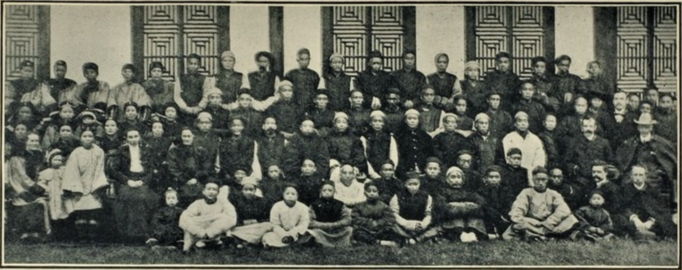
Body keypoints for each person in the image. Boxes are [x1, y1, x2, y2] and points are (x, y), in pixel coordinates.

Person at [107, 128, 160, 243]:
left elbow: (151, 169)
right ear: (126, 139)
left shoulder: (147, 150)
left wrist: (143, 181)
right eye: (130, 137)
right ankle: (128, 236)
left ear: (139, 137)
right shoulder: (120, 151)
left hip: (142, 180)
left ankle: (143, 234)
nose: (133, 139)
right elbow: (114, 170)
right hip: (126, 180)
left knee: (144, 198)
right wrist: (127, 181)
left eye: (135, 136)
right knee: (127, 198)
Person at [616, 113, 677, 207]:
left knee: (651, 183)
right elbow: (624, 161)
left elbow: (668, 162)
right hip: (635, 173)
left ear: (651, 127)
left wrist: (659, 170)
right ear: (638, 128)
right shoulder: (631, 142)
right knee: (626, 182)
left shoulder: (660, 142)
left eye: (646, 127)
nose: (644, 129)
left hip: (653, 174)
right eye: (641, 127)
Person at [503, 167, 578, 241]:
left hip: (549, 224)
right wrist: (535, 223)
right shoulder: (526, 192)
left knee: (571, 219)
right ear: (533, 180)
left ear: (547, 180)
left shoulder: (553, 194)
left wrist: (549, 222)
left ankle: (535, 235)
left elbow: (564, 210)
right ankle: (548, 236)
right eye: (537, 180)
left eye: (543, 180)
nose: (540, 183)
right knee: (516, 226)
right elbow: (517, 210)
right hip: (532, 224)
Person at [61, 129, 109, 242]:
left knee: (93, 211)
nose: (87, 138)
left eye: (90, 136)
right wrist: (76, 188)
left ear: (93, 138)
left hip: (94, 183)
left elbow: (99, 169)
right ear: (80, 138)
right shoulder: (76, 152)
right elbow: (72, 171)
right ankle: (82, 236)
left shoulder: (99, 152)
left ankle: (92, 235)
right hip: (79, 184)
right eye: (84, 136)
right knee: (81, 212)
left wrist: (96, 187)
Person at [6, 133, 50, 241]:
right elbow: (21, 177)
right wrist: (37, 188)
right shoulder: (17, 158)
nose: (34, 143)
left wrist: (42, 186)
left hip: (34, 186)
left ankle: (38, 232)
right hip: (20, 188)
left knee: (44, 201)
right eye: (31, 141)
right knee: (35, 202)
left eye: (36, 141)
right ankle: (26, 232)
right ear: (25, 142)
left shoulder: (38, 156)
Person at [615, 165, 677, 240]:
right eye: (635, 175)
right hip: (632, 219)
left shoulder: (653, 190)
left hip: (649, 219)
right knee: (620, 219)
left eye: (641, 175)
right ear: (631, 176)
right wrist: (635, 219)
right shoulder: (625, 190)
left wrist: (650, 222)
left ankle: (644, 233)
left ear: (645, 176)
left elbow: (659, 208)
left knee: (665, 220)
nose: (638, 177)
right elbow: (622, 207)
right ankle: (642, 234)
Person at [179, 180, 237, 253]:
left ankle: (216, 241)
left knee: (224, 217)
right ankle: (195, 244)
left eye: (214, 190)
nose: (211, 192)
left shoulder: (223, 203)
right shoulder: (198, 203)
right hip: (200, 232)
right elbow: (184, 219)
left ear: (218, 193)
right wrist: (201, 233)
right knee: (189, 220)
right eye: (209, 189)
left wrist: (210, 233)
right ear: (204, 191)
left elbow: (232, 218)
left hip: (215, 231)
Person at [436, 166, 488, 242]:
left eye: (458, 177)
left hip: (468, 218)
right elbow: (442, 205)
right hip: (452, 218)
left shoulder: (468, 191)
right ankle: (461, 234)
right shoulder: (443, 192)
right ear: (447, 179)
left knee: (474, 219)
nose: (456, 180)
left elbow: (481, 202)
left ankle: (472, 233)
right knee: (456, 219)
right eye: (453, 177)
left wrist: (460, 206)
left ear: (463, 180)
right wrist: (466, 206)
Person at [167, 128, 213, 207]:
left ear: (193, 136)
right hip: (181, 181)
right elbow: (172, 168)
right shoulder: (174, 151)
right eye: (184, 136)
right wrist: (184, 178)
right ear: (181, 137)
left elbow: (206, 167)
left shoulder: (201, 151)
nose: (186, 139)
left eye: (188, 136)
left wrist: (196, 178)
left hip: (198, 180)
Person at [390, 172, 437, 244]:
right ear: (405, 184)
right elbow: (394, 214)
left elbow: (428, 213)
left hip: (420, 224)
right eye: (410, 184)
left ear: (419, 184)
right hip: (404, 224)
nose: (413, 187)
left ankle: (416, 238)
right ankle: (408, 237)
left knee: (436, 225)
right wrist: (406, 224)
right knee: (391, 225)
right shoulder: (397, 196)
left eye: (415, 184)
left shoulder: (426, 196)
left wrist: (422, 225)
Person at [502, 112, 546, 185]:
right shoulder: (508, 138)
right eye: (520, 121)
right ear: (515, 124)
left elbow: (540, 159)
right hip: (515, 175)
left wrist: (533, 172)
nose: (523, 123)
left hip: (532, 174)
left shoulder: (535, 139)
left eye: (525, 121)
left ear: (528, 123)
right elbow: (508, 158)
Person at [228, 177, 274, 246]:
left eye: (251, 190)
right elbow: (233, 216)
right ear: (242, 190)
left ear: (255, 190)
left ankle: (243, 240)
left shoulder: (262, 201)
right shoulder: (236, 201)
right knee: (231, 229)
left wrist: (256, 221)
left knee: (268, 226)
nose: (248, 192)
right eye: (246, 189)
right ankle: (251, 240)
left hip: (256, 227)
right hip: (242, 227)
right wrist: (243, 222)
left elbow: (265, 216)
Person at [351, 182, 399, 246]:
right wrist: (369, 223)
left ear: (378, 193)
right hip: (365, 229)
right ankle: (380, 242)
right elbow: (355, 218)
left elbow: (390, 218)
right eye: (369, 191)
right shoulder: (359, 206)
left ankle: (372, 242)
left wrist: (378, 223)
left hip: (380, 229)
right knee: (358, 233)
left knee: (393, 231)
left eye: (374, 191)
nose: (371, 193)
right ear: (365, 193)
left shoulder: (384, 206)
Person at [307, 181, 354, 247]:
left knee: (349, 230)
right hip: (322, 231)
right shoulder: (314, 204)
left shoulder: (339, 204)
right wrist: (326, 226)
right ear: (320, 191)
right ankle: (321, 242)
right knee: (314, 232)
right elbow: (310, 221)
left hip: (337, 230)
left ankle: (339, 242)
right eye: (324, 190)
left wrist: (335, 225)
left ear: (334, 191)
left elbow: (347, 219)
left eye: (330, 190)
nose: (327, 192)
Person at [327, 112, 367, 180]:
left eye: (344, 122)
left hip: (352, 164)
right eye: (338, 122)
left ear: (347, 124)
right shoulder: (329, 138)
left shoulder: (354, 138)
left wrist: (353, 165)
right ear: (334, 124)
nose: (341, 125)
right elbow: (328, 154)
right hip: (336, 166)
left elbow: (359, 155)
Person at [478, 165, 515, 238]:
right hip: (488, 216)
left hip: (502, 217)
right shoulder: (481, 191)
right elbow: (484, 205)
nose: (494, 179)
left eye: (496, 177)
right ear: (486, 178)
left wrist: (505, 213)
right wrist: (496, 215)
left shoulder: (505, 190)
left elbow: (508, 203)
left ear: (501, 178)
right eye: (491, 177)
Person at [395, 109, 433, 178]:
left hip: (422, 170)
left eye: (415, 119)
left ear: (418, 120)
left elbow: (429, 153)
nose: (412, 121)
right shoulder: (399, 136)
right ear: (405, 120)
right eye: (409, 118)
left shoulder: (425, 136)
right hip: (405, 170)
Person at [362, 111, 398, 180]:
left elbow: (393, 156)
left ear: (383, 123)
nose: (377, 124)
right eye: (375, 121)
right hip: (371, 171)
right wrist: (373, 174)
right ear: (370, 123)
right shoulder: (365, 137)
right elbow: (364, 157)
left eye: (380, 121)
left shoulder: (389, 137)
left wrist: (390, 170)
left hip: (387, 172)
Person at [174, 53, 207, 124]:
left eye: (195, 64)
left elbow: (206, 95)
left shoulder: (204, 79)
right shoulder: (180, 78)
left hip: (199, 110)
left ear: (199, 66)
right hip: (183, 110)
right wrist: (185, 108)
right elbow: (177, 96)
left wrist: (199, 107)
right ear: (187, 65)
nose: (193, 66)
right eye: (191, 63)